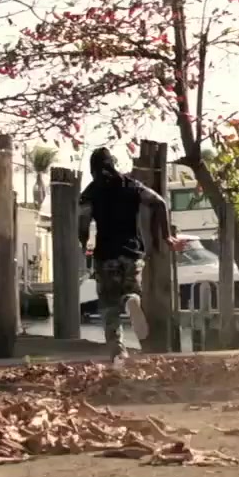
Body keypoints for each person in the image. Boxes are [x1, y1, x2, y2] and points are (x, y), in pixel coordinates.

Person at [77, 147, 171, 360]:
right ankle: (131, 300)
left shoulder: (91, 191)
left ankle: (118, 349)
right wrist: (165, 236)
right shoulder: (131, 185)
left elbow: (83, 222)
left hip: (106, 256)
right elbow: (159, 202)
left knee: (109, 305)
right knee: (131, 291)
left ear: (93, 169)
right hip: (132, 254)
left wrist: (83, 243)